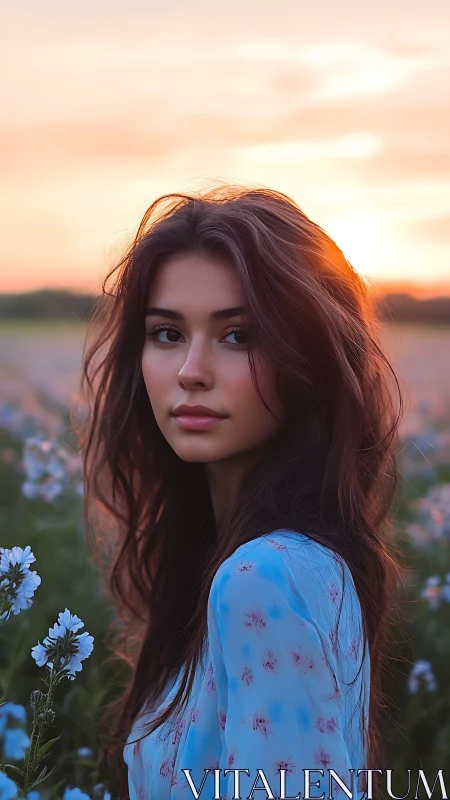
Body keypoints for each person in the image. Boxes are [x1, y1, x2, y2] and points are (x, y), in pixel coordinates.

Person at [79, 185, 405, 800]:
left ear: (306, 361)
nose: (190, 372)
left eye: (238, 336)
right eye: (167, 333)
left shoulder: (263, 576)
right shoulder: (282, 560)